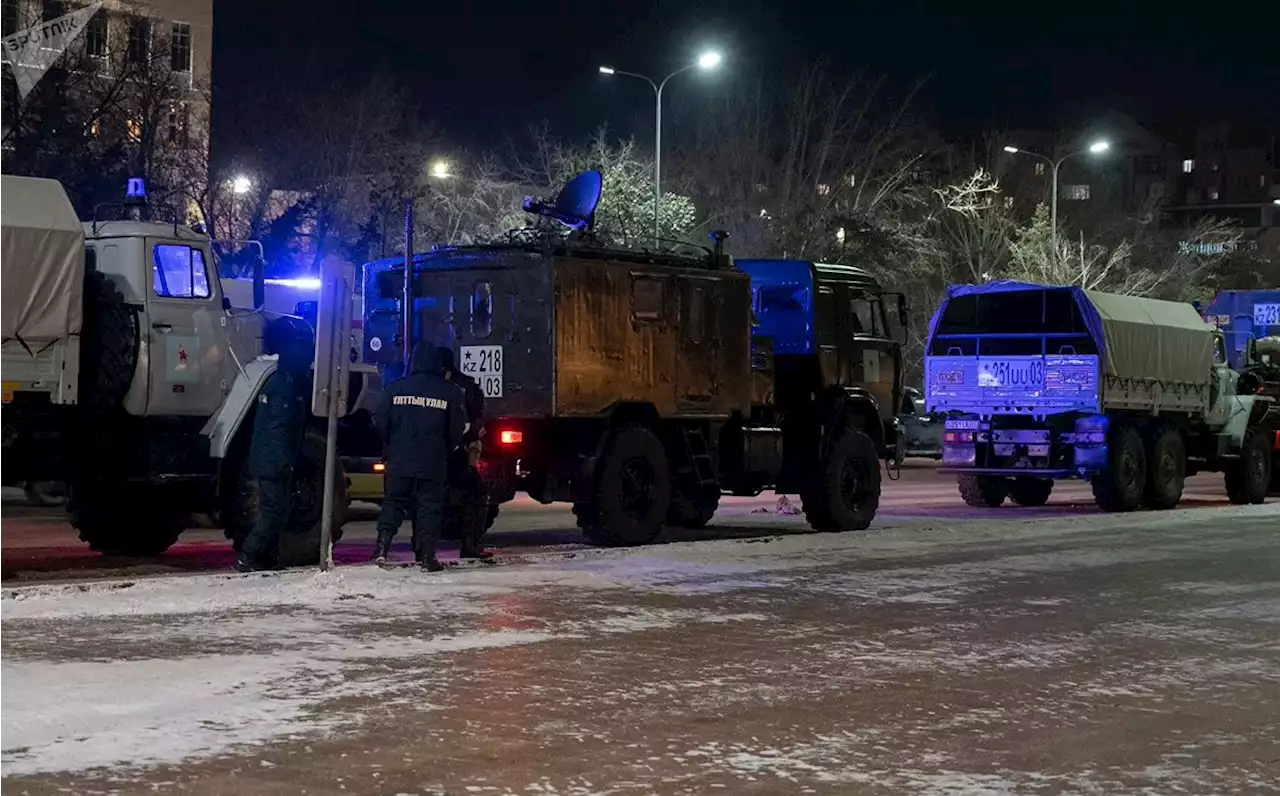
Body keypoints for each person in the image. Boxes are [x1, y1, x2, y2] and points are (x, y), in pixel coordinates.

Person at [372, 342, 465, 571]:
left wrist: (390, 444)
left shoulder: (395, 388)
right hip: (432, 460)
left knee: (393, 503)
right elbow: (456, 429)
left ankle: (382, 548)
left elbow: (379, 420)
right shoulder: (450, 391)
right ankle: (427, 556)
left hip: (399, 458)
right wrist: (447, 448)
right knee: (429, 507)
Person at [238, 318, 313, 573]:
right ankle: (249, 554)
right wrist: (284, 463)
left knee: (275, 511)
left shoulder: (278, 383)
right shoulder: (285, 388)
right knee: (274, 513)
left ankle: (267, 557)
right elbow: (279, 429)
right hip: (273, 461)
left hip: (268, 458)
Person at [439, 346, 494, 562]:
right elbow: (476, 422)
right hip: (456, 454)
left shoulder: (415, 385)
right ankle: (471, 546)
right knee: (476, 493)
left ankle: (421, 549)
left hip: (429, 457)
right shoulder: (465, 387)